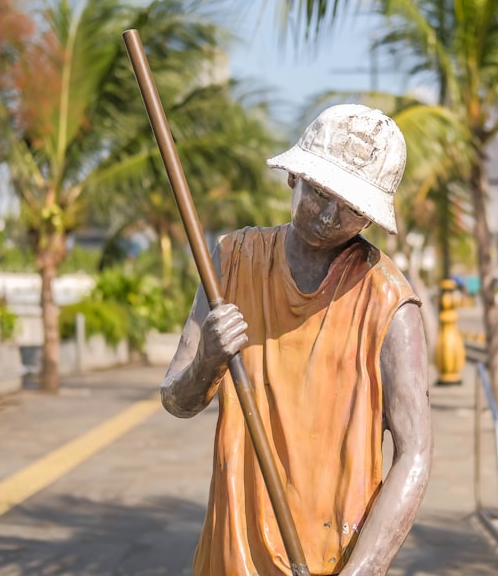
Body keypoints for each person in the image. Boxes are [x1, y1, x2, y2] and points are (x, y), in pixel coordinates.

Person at [161, 104, 432, 576]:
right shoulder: (231, 261)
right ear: (294, 178)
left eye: (350, 209)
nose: (329, 216)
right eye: (320, 194)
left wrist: (362, 571)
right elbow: (176, 400)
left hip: (332, 556)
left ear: (368, 218)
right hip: (233, 548)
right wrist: (207, 361)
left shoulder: (388, 303)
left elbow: (415, 453)